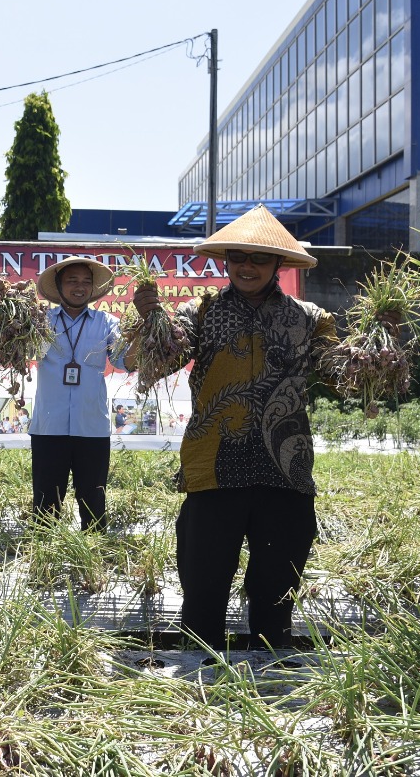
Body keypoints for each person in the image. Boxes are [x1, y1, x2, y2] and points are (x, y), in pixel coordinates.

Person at [129, 206, 337, 650]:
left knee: (277, 593)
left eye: (259, 259)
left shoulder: (310, 318)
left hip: (285, 470)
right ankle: (199, 688)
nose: (247, 267)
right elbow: (156, 362)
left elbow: (346, 376)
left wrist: (380, 337)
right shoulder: (198, 312)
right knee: (203, 590)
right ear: (226, 261)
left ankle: (271, 686)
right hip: (214, 469)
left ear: (278, 264)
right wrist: (150, 321)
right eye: (238, 257)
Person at [28, 257, 126, 531]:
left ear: (93, 288)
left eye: (86, 282)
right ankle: (44, 563)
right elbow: (22, 352)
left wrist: (144, 335)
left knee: (94, 502)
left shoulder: (107, 323)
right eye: (72, 281)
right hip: (49, 427)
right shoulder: (40, 322)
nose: (79, 287)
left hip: (91, 427)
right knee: (45, 505)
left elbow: (123, 361)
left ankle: (93, 565)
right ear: (58, 286)